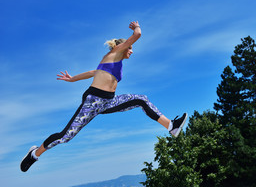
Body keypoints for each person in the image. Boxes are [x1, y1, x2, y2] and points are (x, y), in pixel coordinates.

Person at [20, 21, 188, 172]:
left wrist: (73, 79)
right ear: (122, 47)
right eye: (130, 48)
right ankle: (34, 154)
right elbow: (137, 35)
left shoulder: (115, 64)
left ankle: (171, 127)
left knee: (141, 99)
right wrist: (136, 26)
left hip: (109, 102)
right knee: (65, 136)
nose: (132, 51)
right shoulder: (114, 53)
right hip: (93, 102)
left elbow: (93, 72)